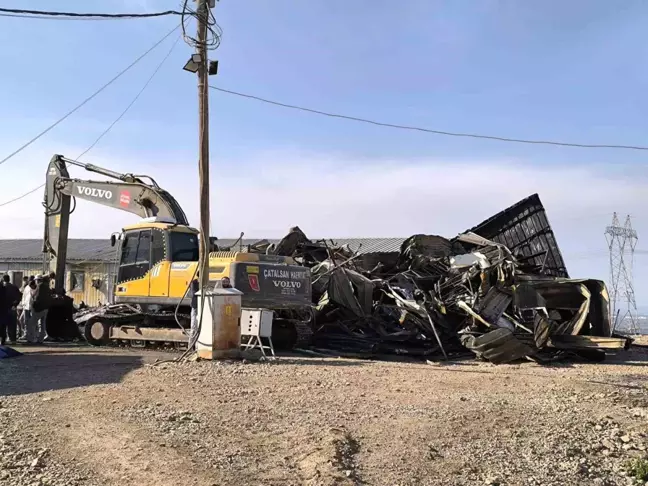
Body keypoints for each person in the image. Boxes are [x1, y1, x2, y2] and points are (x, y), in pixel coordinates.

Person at [28, 275, 53, 344]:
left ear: (38, 280)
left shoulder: (40, 286)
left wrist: (34, 304)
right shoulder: (47, 287)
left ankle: (32, 339)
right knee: (42, 324)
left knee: (31, 323)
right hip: (45, 308)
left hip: (39, 308)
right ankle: (40, 340)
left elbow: (37, 297)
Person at [2, 275, 21, 345]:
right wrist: (15, 305)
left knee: (3, 324)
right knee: (12, 324)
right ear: (9, 279)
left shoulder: (2, 288)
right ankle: (13, 339)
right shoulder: (14, 287)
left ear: (3, 280)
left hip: (3, 309)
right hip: (12, 308)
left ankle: (3, 339)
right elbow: (19, 297)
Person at [189, 274, 200, 349]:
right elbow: (194, 293)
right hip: (196, 306)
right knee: (194, 327)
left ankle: (198, 347)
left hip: (204, 307)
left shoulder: (207, 283)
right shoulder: (194, 283)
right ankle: (190, 347)